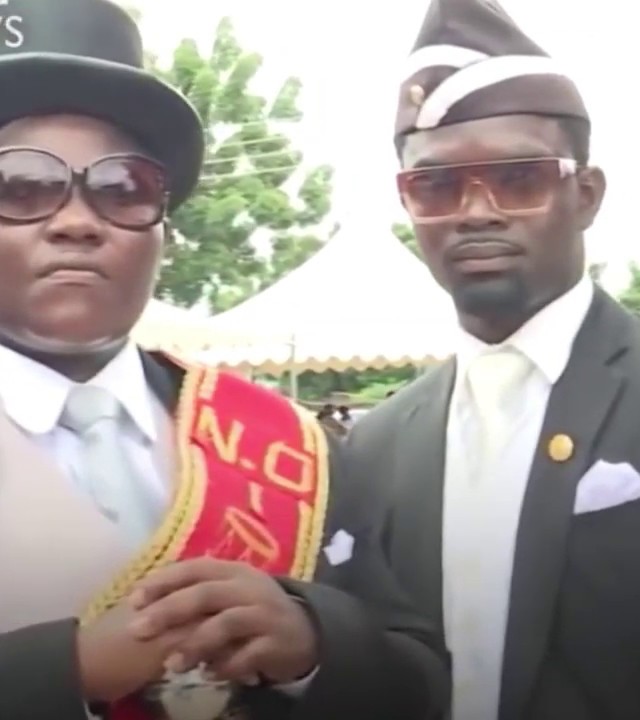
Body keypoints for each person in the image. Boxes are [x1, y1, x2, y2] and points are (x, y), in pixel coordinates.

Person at [342, 0, 640, 718]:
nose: (476, 211)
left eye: (519, 179)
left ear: (586, 195)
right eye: (436, 186)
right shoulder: (378, 444)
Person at [0, 1, 449, 718]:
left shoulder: (291, 448)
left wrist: (315, 645)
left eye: (122, 188)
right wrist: (69, 674)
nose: (78, 221)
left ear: (164, 232)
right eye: (21, 186)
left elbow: (421, 684)